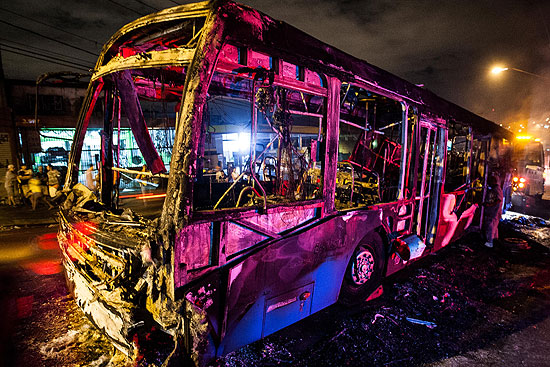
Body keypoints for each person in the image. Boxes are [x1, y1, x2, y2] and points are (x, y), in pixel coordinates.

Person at [482, 175, 503, 248]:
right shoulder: (496, 188)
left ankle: (489, 243)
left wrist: (489, 204)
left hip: (493, 212)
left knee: (490, 228)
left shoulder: (496, 189)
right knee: (494, 228)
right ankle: (494, 241)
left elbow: (498, 200)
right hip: (494, 212)